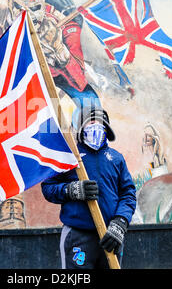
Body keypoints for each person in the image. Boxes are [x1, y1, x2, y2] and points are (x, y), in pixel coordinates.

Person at [41, 106, 136, 269]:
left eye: (101, 122)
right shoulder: (70, 157)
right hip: (78, 236)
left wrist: (121, 222)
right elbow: (48, 188)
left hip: (110, 236)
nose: (96, 126)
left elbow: (128, 194)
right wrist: (71, 189)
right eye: (91, 122)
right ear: (81, 128)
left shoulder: (116, 159)